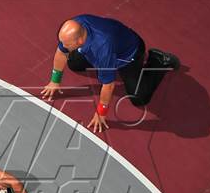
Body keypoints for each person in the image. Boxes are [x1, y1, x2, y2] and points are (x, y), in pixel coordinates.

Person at [41, 14, 180, 133]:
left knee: (139, 98)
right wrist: (55, 81)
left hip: (128, 55)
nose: (63, 45)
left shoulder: (103, 49)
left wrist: (101, 113)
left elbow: (108, 86)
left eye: (67, 44)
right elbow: (61, 52)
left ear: (79, 41)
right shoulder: (75, 26)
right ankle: (104, 66)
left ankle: (158, 60)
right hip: (111, 43)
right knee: (74, 63)